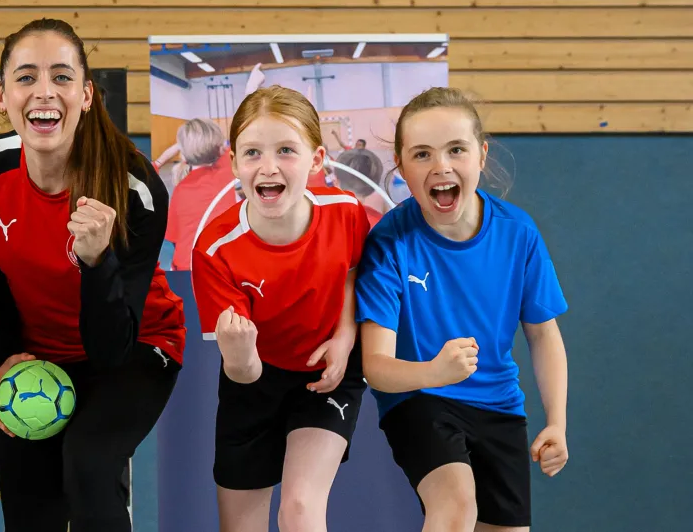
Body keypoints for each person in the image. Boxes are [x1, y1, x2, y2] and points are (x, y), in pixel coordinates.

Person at [0, 18, 185, 531]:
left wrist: (98, 261)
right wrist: (6, 361)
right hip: (37, 352)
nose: (44, 92)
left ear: (86, 95)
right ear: (1, 95)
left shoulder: (136, 189)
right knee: (29, 502)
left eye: (61, 77)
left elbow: (112, 349)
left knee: (89, 465)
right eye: (26, 77)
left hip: (137, 346)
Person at [357, 87, 570, 532]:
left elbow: (543, 334)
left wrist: (557, 422)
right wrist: (435, 372)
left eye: (456, 149)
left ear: (481, 155)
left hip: (500, 406)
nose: (441, 166)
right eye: (422, 154)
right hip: (419, 398)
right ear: (401, 166)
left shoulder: (518, 233)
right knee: (456, 507)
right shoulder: (389, 243)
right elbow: (375, 366)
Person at [191, 86, 371, 532]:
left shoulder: (345, 211)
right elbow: (244, 375)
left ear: (316, 160)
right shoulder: (214, 248)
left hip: (327, 374)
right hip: (252, 377)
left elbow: (351, 271)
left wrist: (346, 337)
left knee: (300, 508)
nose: (268, 166)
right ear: (233, 162)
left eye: (286, 150)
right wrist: (240, 357)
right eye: (252, 153)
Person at [165, 117, 239, 271]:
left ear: (183, 156)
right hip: (224, 268)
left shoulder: (181, 190)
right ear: (220, 148)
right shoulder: (229, 167)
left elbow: (173, 238)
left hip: (187, 269)